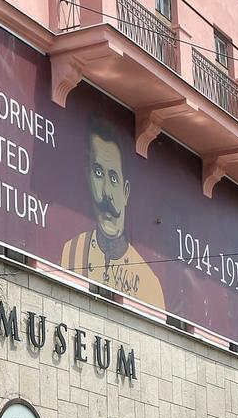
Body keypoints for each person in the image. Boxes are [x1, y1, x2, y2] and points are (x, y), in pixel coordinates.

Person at [58, 113, 164, 308]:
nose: (106, 192)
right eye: (98, 173)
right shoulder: (72, 250)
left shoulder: (150, 284)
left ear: (125, 191)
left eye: (113, 178)